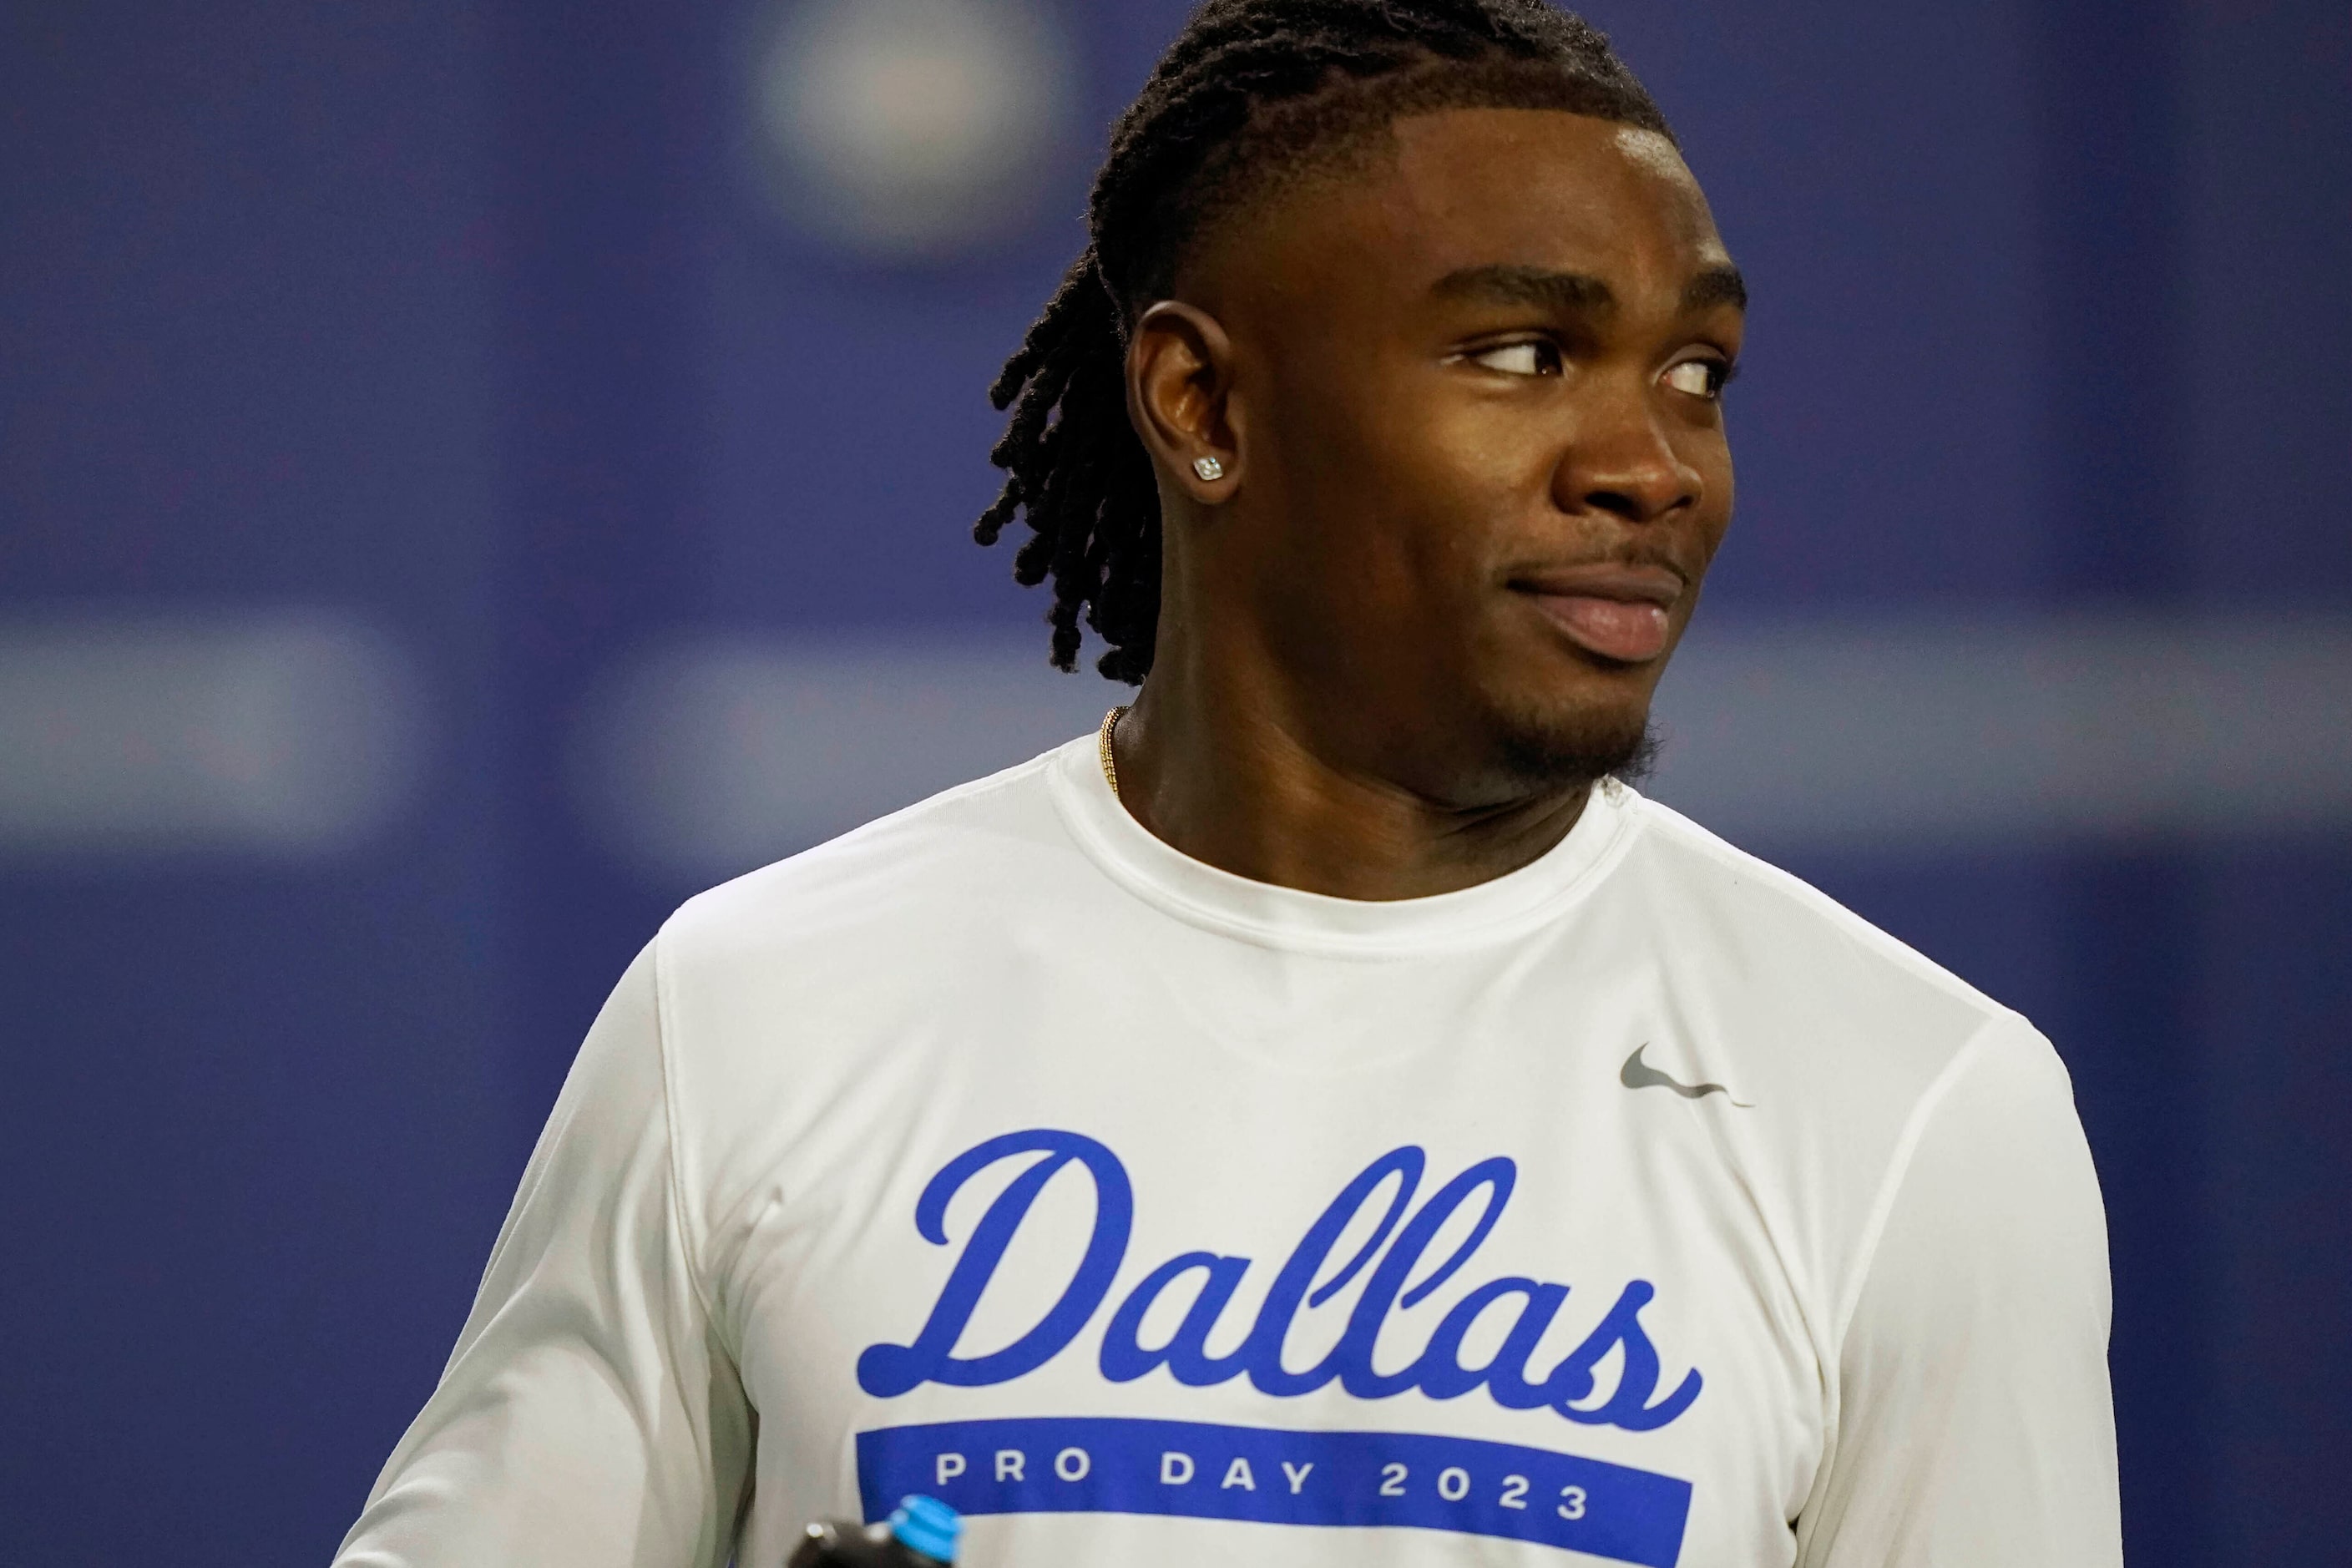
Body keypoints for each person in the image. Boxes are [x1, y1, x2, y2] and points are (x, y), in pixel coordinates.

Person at [335, 3, 2120, 1565]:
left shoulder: (1915, 1106)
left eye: (1694, 372)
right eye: (1520, 353)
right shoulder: (752, 1015)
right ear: (1199, 402)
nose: (1649, 464)